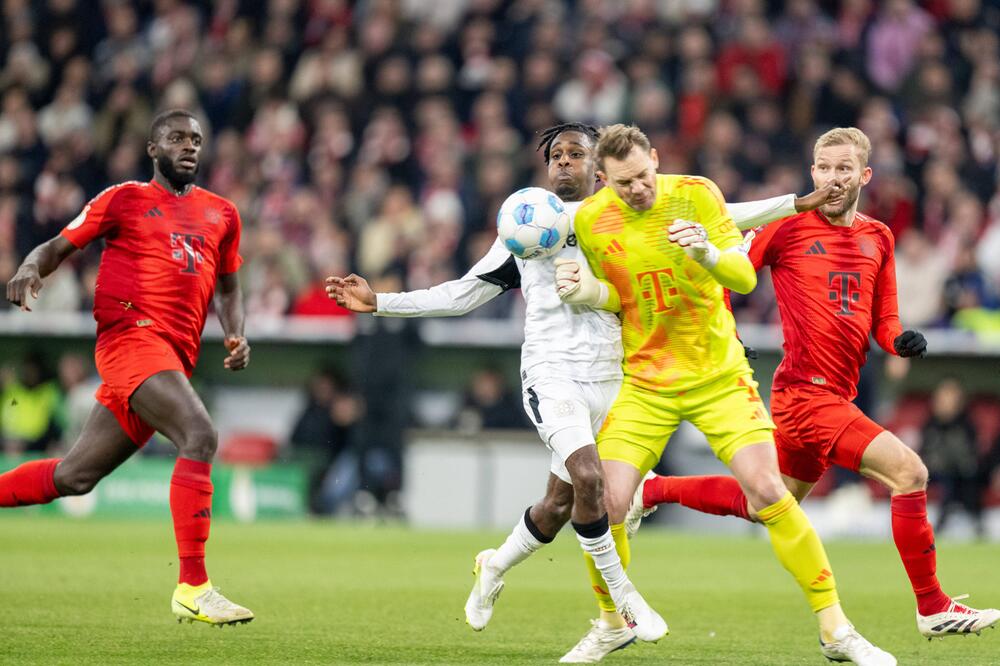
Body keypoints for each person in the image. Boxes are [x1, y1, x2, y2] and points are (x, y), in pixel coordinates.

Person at [329, 122, 838, 663]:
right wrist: (380, 301)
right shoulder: (526, 222)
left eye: (577, 154)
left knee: (560, 504)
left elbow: (727, 212)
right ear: (547, 167)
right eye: (557, 156)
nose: (565, 163)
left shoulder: (615, 216)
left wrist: (798, 202)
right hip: (552, 372)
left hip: (618, 375)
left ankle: (493, 565)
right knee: (594, 479)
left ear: (601, 168)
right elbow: (461, 295)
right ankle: (622, 605)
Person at [638, 127, 1000, 640]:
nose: (832, 179)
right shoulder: (785, 227)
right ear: (812, 172)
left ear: (864, 176)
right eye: (824, 168)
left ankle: (653, 490)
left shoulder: (879, 236)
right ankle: (933, 606)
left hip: (834, 393)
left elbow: (884, 322)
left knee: (771, 502)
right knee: (909, 473)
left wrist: (901, 343)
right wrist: (727, 335)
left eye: (844, 170)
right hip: (806, 394)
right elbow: (729, 274)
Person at [557, 124, 893, 664]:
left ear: (657, 160)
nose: (639, 188)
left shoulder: (695, 193)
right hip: (646, 382)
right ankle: (610, 622)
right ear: (603, 180)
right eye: (624, 183)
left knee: (767, 491)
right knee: (605, 501)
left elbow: (743, 277)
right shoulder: (593, 222)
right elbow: (614, 298)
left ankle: (837, 630)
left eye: (645, 175)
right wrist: (584, 290)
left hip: (718, 375)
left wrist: (708, 253)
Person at [1, 109, 254, 626]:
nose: (190, 147)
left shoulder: (222, 214)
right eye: (177, 138)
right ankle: (193, 585)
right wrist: (28, 267)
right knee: (200, 435)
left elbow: (229, 286)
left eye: (197, 140)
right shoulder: (124, 199)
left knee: (74, 477)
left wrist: (236, 331)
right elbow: (56, 246)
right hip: (130, 341)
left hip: (170, 357)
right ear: (152, 148)